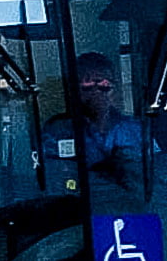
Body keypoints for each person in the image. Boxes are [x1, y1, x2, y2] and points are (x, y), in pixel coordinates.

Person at [45, 51, 147, 186]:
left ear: (114, 88)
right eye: (88, 85)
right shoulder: (56, 132)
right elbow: (53, 178)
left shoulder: (136, 129)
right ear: (75, 89)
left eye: (104, 84)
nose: (97, 92)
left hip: (130, 202)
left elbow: (155, 173)